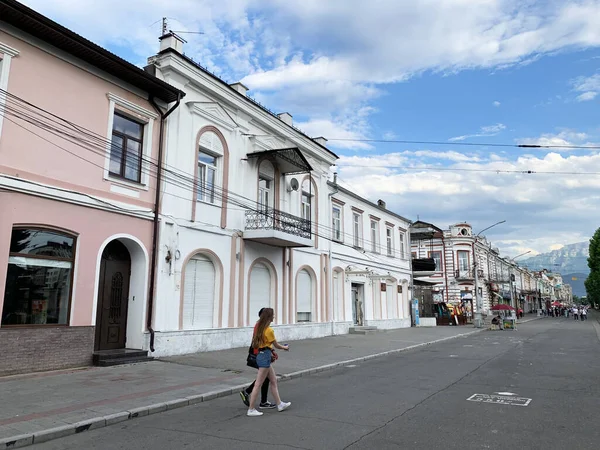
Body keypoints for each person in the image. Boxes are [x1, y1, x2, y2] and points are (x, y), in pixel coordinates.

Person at [247, 308, 291, 417]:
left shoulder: (260, 328)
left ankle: (279, 404)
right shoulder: (269, 330)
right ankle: (251, 409)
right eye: (273, 315)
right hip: (265, 357)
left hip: (262, 355)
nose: (274, 316)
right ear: (269, 317)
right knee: (258, 384)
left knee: (273, 380)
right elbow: (276, 345)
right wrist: (285, 347)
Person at [240, 308, 275, 409]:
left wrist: (271, 352)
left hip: (260, 354)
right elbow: (259, 342)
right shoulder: (259, 326)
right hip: (258, 355)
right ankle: (248, 393)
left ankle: (262, 401)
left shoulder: (260, 325)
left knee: (265, 377)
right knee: (263, 378)